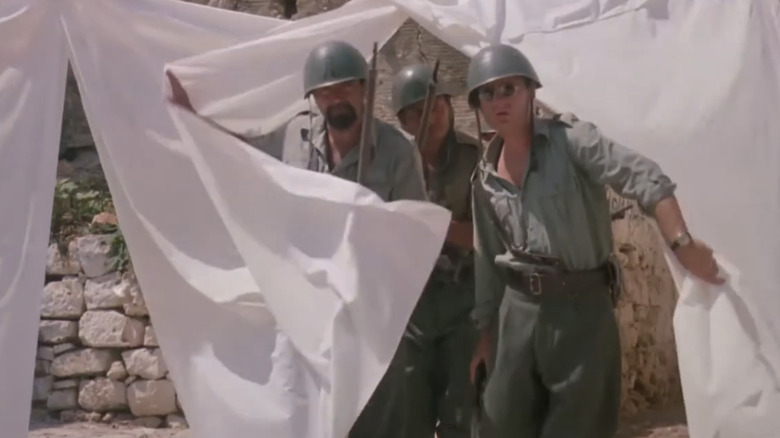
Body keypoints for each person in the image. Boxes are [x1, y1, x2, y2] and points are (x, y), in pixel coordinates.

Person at [167, 40, 428, 438]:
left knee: (376, 419)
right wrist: (194, 117)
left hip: (370, 313)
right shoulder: (295, 136)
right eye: (325, 92)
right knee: (308, 414)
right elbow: (242, 155)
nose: (335, 99)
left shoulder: (396, 153)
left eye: (343, 88)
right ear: (314, 99)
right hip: (308, 309)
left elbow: (413, 236)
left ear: (364, 88)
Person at [465, 44, 724, 438]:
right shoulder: (483, 177)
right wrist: (486, 335)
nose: (499, 100)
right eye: (488, 92)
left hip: (580, 311)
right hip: (516, 313)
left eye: (509, 88)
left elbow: (645, 178)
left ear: (530, 91)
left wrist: (681, 243)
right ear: (477, 103)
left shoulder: (572, 143)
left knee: (579, 425)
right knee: (500, 425)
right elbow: (486, 260)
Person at [390, 64, 481, 437]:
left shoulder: (476, 157)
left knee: (461, 409)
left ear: (448, 104)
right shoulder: (393, 160)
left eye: (436, 104)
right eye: (413, 112)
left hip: (463, 299)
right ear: (404, 120)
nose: (428, 117)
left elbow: (487, 236)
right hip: (411, 303)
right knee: (411, 410)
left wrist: (434, 225)